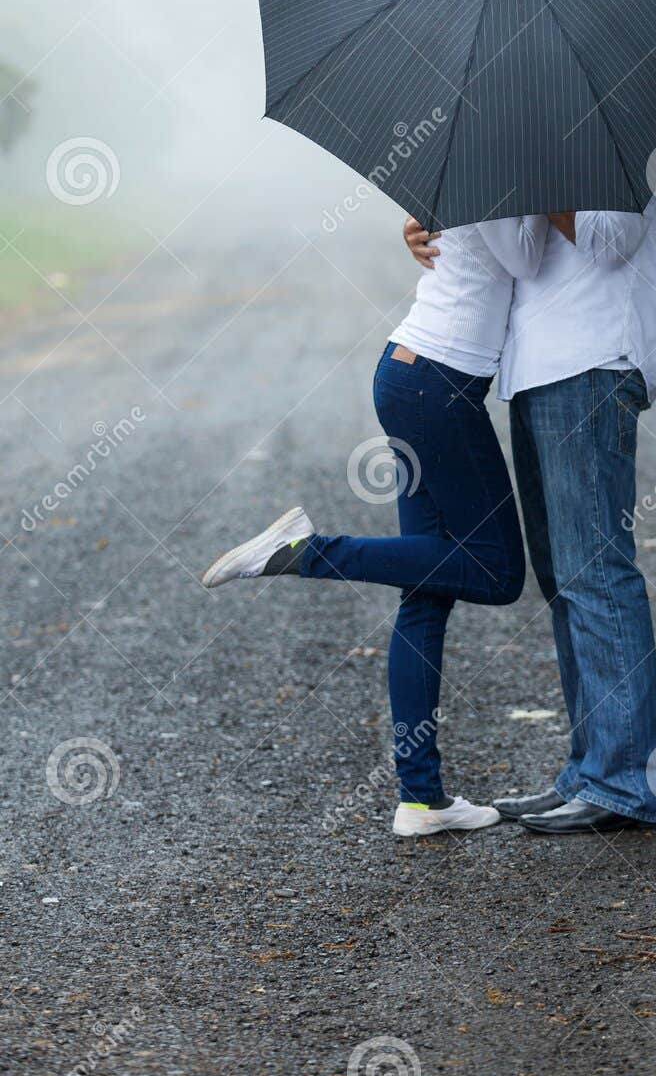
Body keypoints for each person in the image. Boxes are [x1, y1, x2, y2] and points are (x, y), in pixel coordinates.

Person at [201, 216, 547, 838]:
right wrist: (543, 211)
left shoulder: (481, 179)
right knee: (495, 573)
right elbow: (525, 260)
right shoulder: (500, 183)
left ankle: (421, 799)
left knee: (426, 593)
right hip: (436, 385)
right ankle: (306, 552)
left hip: (419, 377)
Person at [404, 168, 656, 835]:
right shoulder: (544, 138)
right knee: (564, 578)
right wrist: (448, 221)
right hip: (540, 364)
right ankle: (589, 771)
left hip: (595, 359)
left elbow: (611, 240)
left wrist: (541, 171)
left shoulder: (619, 136)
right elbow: (522, 254)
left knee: (596, 572)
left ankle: (627, 784)